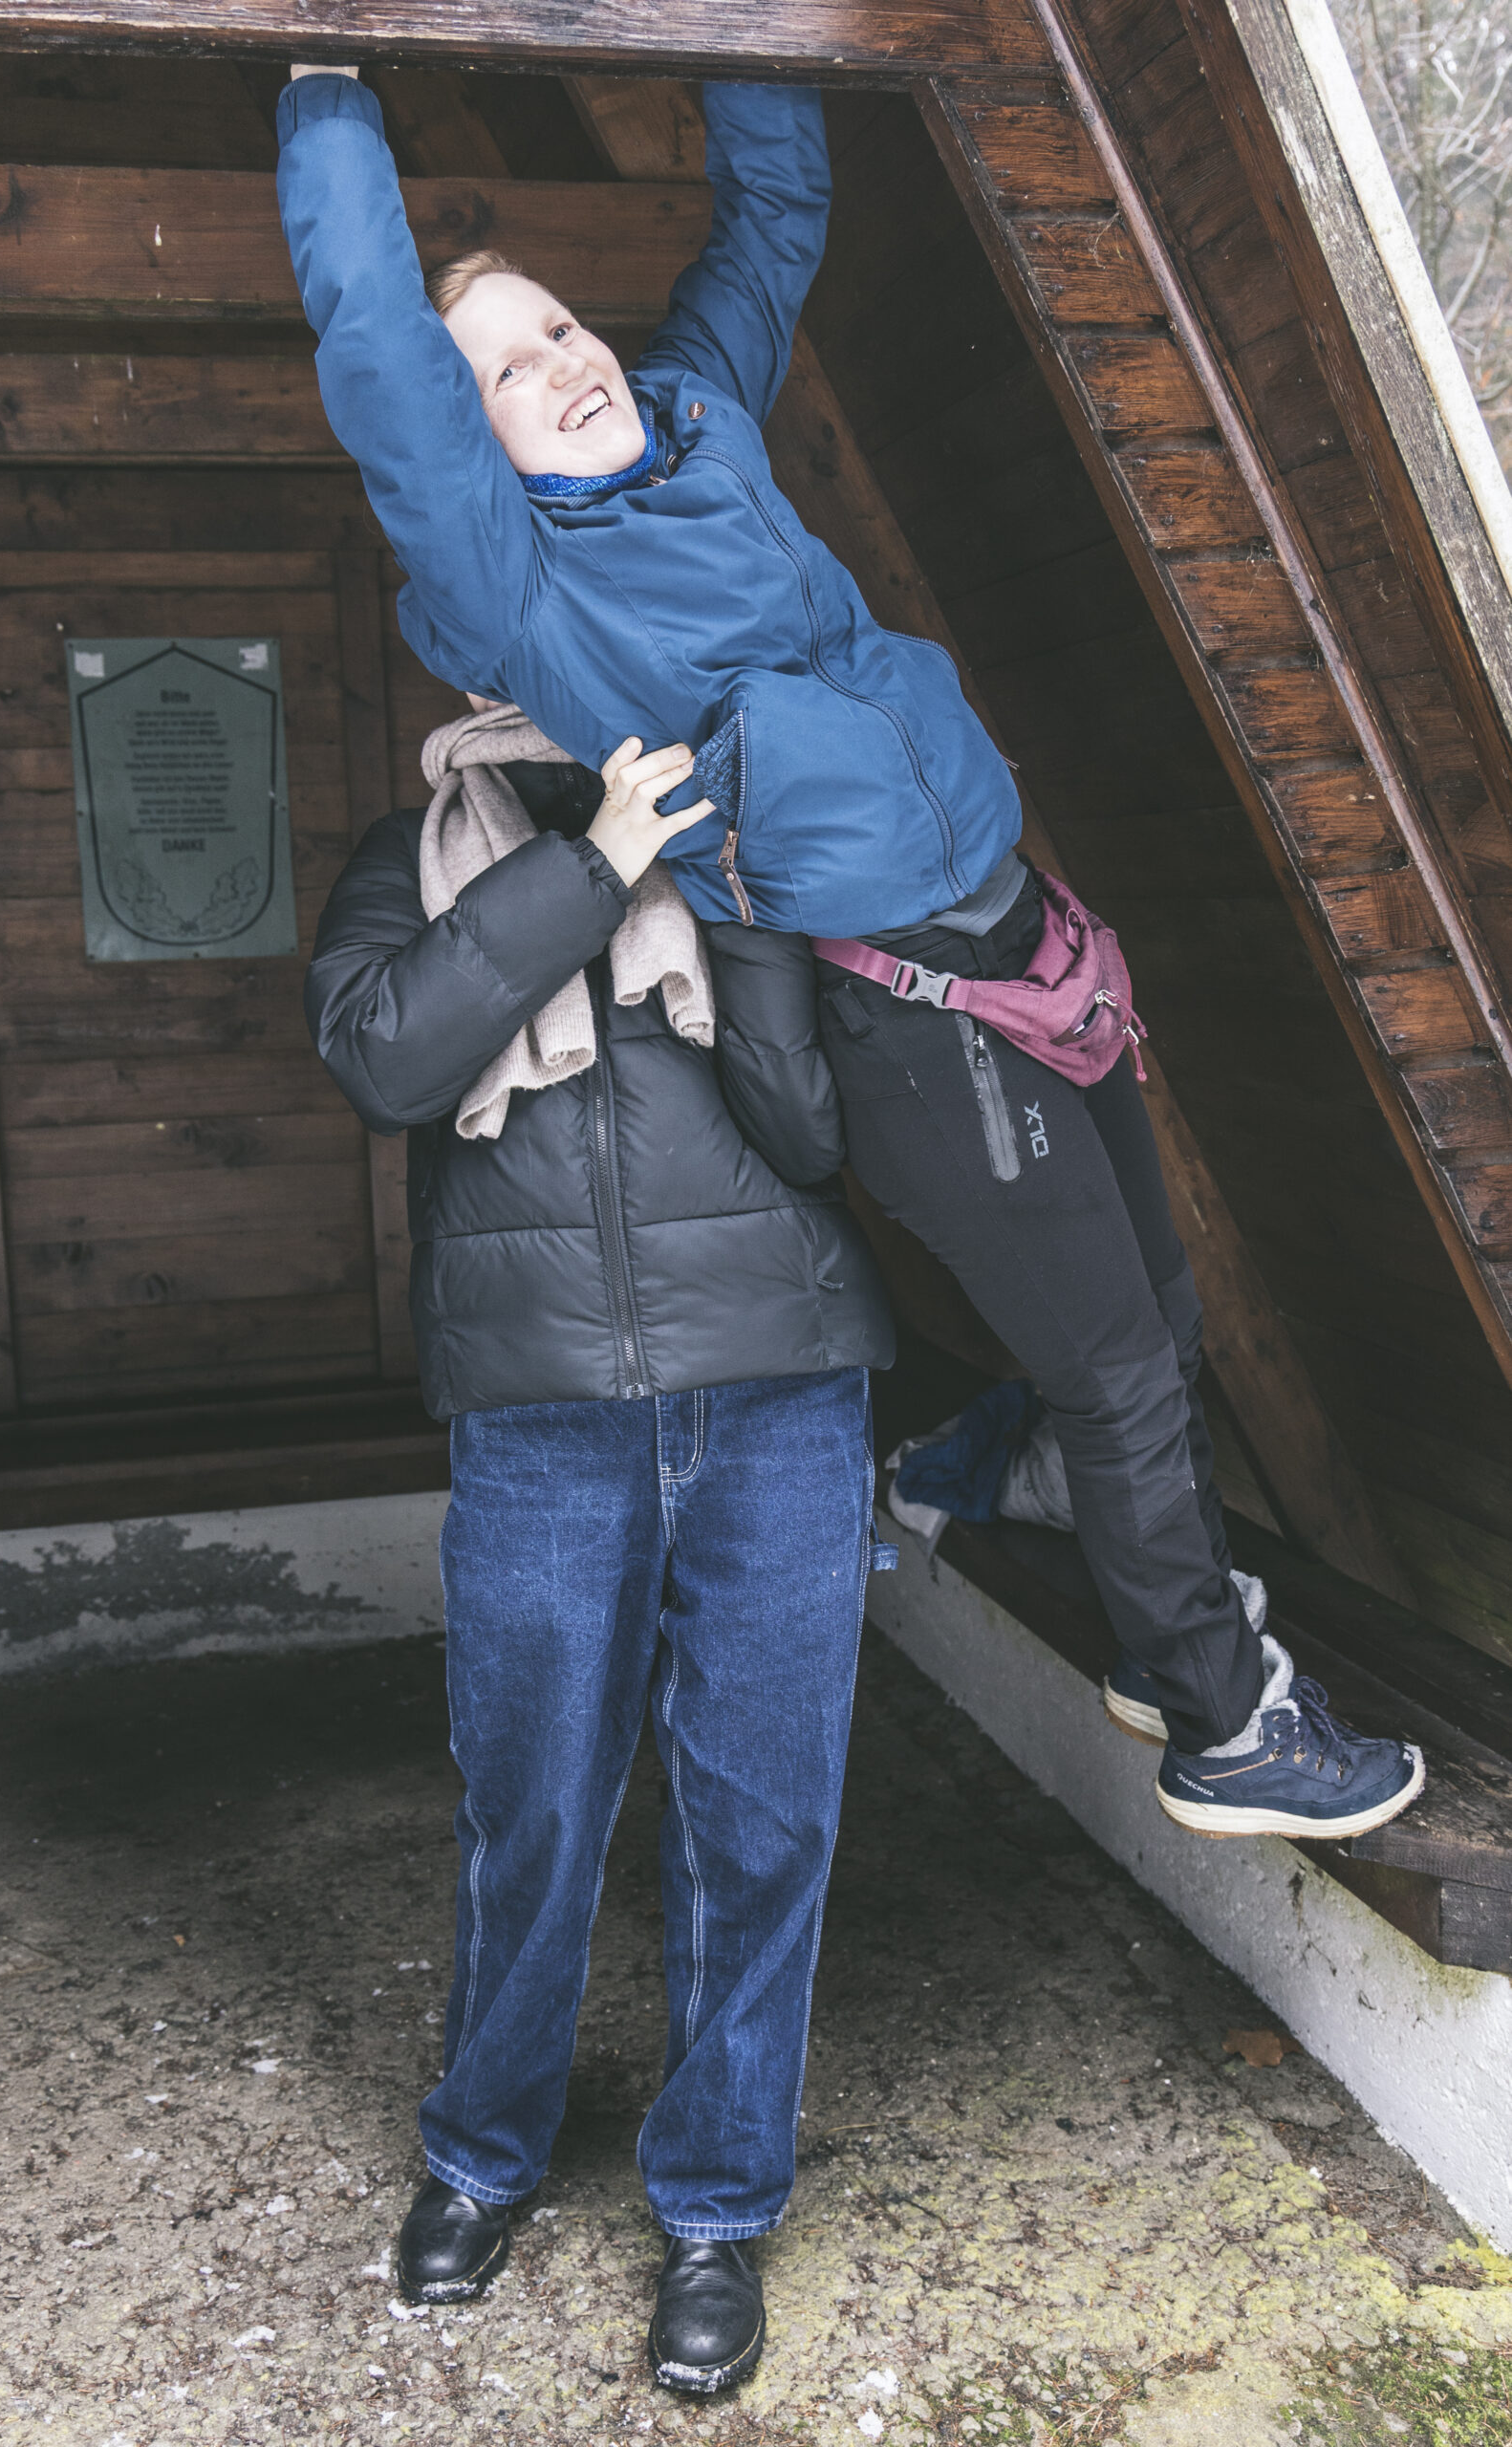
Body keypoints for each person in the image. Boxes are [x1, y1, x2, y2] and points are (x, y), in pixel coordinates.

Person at [277, 66, 1422, 1920]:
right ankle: (1220, 1716)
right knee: (1121, 1371)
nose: (558, 364)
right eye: (500, 370)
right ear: (468, 443)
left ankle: (1006, 1474)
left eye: (556, 326)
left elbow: (771, 227)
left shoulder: (698, 417)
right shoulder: (522, 593)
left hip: (1025, 928)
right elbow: (386, 383)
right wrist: (330, 98)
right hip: (907, 1006)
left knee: (1161, 1314)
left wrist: (757, 32)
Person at [305, 695, 894, 2391]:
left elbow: (812, 1132)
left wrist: (726, 893)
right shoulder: (412, 857)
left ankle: (717, 2206)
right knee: (534, 1804)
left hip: (780, 1388)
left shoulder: (742, 846)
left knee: (761, 1817)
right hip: (541, 1410)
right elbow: (384, 1058)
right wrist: (591, 868)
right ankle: (482, 2153)